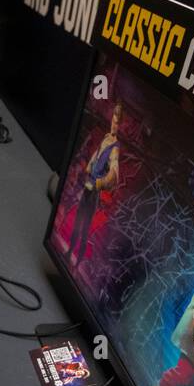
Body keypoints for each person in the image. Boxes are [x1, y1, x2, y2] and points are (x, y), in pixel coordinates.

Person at [66, 102, 122, 267]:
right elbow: (96, 156)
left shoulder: (115, 148)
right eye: (113, 120)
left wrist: (99, 183)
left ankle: (77, 261)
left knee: (84, 229)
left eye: (117, 122)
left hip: (93, 193)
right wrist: (89, 167)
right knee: (77, 222)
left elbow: (114, 174)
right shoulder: (106, 138)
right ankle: (69, 252)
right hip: (87, 188)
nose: (113, 124)